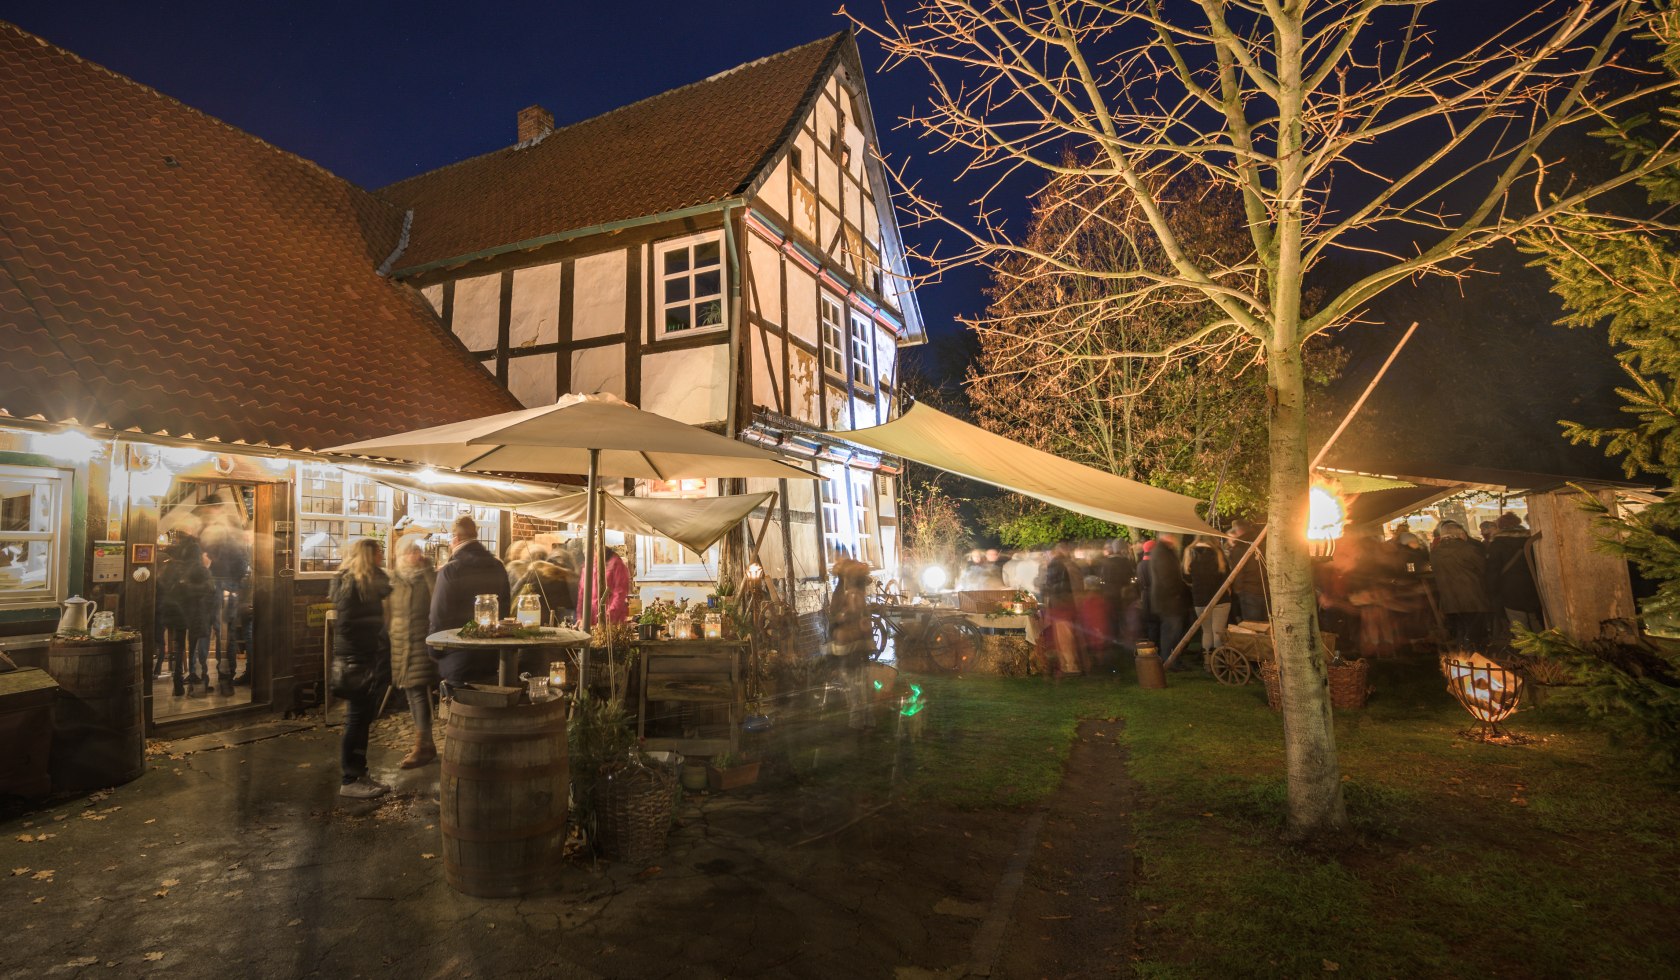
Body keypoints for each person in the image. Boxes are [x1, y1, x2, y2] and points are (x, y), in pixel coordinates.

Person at [331, 538, 393, 799]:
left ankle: (359, 773)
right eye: (379, 552)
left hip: (362, 657)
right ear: (369, 556)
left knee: (361, 719)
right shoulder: (353, 584)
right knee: (356, 719)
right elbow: (348, 625)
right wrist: (368, 648)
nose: (382, 556)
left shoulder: (361, 582)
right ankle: (350, 778)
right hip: (357, 659)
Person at [429, 514, 511, 685]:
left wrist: (434, 650)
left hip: (457, 655)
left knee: (460, 707)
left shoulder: (451, 570)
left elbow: (439, 616)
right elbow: (504, 611)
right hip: (492, 656)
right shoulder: (497, 566)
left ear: (456, 538)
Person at [388, 535, 438, 769]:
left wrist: (428, 571)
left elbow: (437, 601)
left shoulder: (427, 575)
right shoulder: (394, 578)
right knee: (410, 691)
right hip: (399, 642)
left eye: (417, 551)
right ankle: (424, 743)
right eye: (410, 551)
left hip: (420, 640)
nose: (414, 555)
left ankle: (423, 744)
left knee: (418, 691)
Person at [827, 557, 876, 730]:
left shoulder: (851, 595)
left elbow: (846, 616)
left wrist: (841, 618)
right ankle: (866, 721)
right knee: (861, 684)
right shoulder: (854, 594)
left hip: (850, 646)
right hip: (856, 645)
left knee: (856, 686)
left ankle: (858, 724)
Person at [1430, 521, 1490, 650]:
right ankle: (1475, 658)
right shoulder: (1469, 549)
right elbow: (1484, 569)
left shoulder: (1435, 552)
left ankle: (1462, 658)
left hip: (1449, 599)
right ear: (1460, 534)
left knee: (1460, 631)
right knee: (1475, 633)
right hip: (1473, 598)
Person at [1485, 512, 1544, 638]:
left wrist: (1492, 591)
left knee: (1519, 623)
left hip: (1510, 591)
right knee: (1535, 620)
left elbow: (1493, 571)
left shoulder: (1497, 544)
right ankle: (1545, 652)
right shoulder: (1530, 539)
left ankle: (1529, 655)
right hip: (1533, 587)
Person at [1146, 535, 1192, 668]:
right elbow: (1167, 577)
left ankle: (1172, 658)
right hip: (1168, 600)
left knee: (1174, 630)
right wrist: (1177, 592)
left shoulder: (1164, 551)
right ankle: (1170, 660)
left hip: (1169, 599)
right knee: (1171, 631)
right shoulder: (1162, 553)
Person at [1183, 535, 1232, 659]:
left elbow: (1186, 576)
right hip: (1220, 597)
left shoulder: (1189, 553)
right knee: (1218, 631)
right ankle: (1219, 662)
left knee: (1207, 631)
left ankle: (1207, 662)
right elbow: (1226, 574)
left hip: (1200, 598)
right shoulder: (1218, 552)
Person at [577, 545, 631, 625]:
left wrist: (608, 616)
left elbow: (620, 593)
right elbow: (582, 592)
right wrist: (580, 617)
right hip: (591, 618)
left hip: (611, 620)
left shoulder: (616, 565)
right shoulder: (588, 566)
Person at [1228, 519, 1267, 624]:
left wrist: (1238, 590)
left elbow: (1238, 572)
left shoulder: (1240, 547)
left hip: (1249, 591)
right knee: (1267, 624)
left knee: (1253, 625)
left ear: (1238, 531)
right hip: (1266, 589)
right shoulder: (1264, 544)